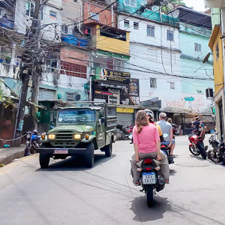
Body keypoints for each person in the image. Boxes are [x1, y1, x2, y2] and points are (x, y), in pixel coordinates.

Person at [131, 110, 170, 185]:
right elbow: (158, 141)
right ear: (147, 117)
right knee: (164, 158)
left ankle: (136, 180)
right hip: (154, 152)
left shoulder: (135, 128)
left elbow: (135, 143)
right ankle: (166, 178)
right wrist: (158, 154)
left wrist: (136, 156)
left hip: (141, 153)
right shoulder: (153, 127)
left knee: (133, 162)